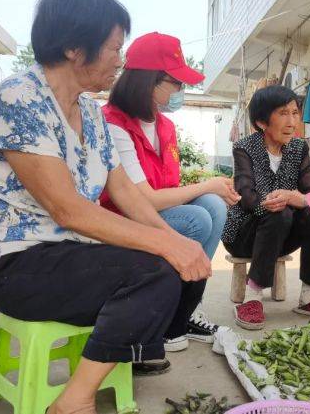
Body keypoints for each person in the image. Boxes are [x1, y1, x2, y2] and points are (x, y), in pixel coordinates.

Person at [0, 0, 211, 414]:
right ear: (74, 48)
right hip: (15, 264)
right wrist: (166, 244)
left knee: (181, 267)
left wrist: (180, 245)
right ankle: (73, 402)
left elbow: (129, 196)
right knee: (156, 273)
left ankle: (115, 356)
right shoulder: (20, 99)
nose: (120, 60)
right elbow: (68, 209)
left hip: (70, 255)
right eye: (115, 49)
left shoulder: (92, 115)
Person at [99, 32, 240, 351]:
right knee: (197, 219)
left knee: (214, 207)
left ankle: (185, 311)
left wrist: (212, 190)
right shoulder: (113, 124)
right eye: (177, 83)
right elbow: (141, 198)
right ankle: (169, 317)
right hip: (123, 220)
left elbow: (170, 188)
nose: (181, 91)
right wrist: (208, 183)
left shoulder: (165, 126)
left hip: (156, 213)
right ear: (150, 80)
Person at [222, 85, 310, 330]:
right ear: (261, 122)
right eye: (283, 113)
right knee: (279, 212)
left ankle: (308, 298)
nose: (292, 122)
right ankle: (252, 297)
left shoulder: (299, 148)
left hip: (282, 232)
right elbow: (246, 195)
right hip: (243, 234)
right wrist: (273, 203)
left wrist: (296, 198)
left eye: (295, 113)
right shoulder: (244, 147)